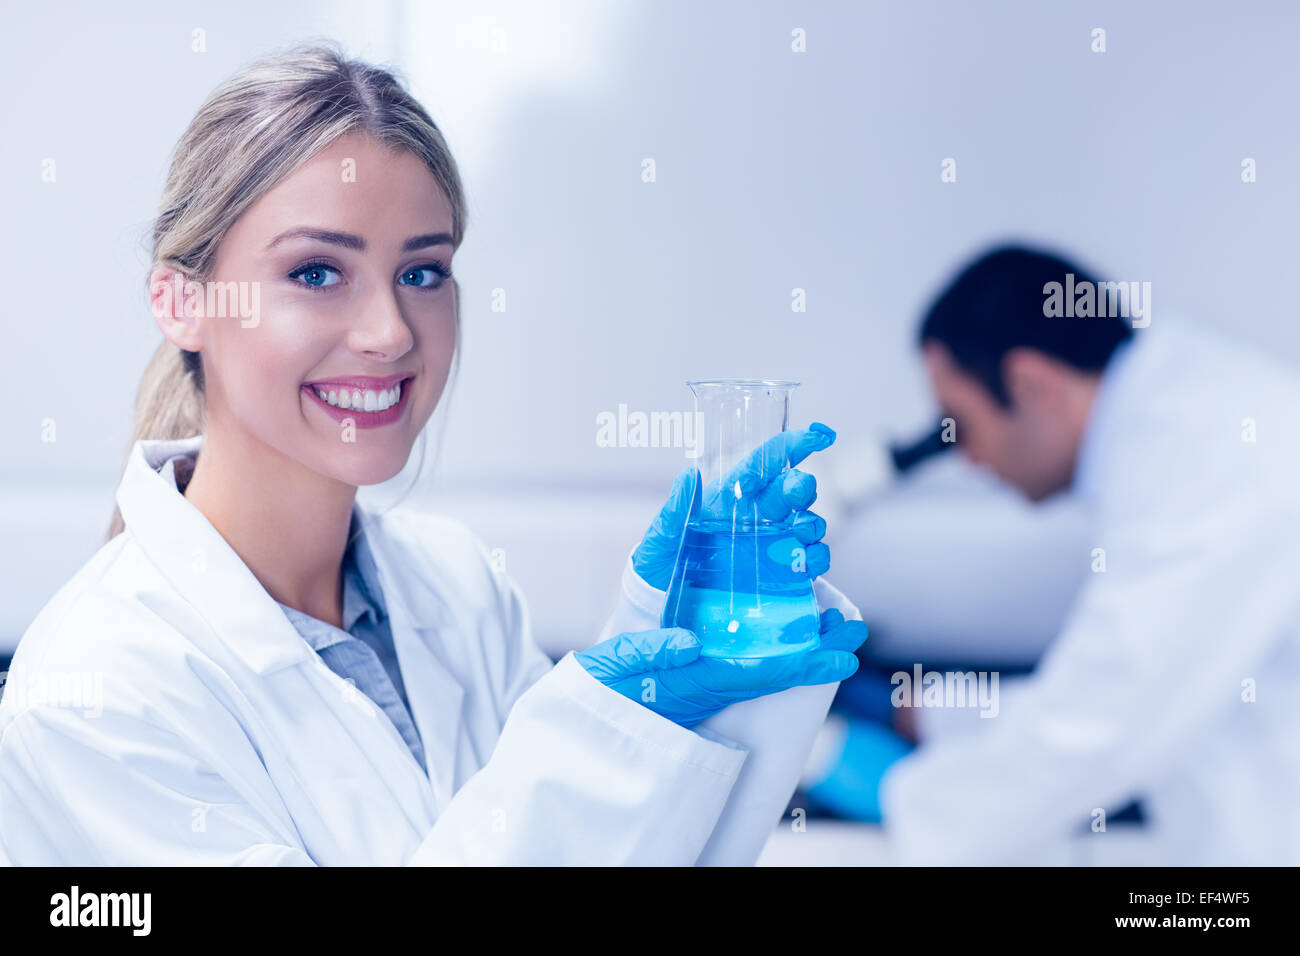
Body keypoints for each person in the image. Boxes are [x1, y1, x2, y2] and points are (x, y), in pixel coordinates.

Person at [0, 44, 866, 866]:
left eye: (422, 273)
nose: (388, 334)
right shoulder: (99, 690)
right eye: (315, 272)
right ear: (181, 301)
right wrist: (599, 720)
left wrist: (660, 681)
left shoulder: (459, 590)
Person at [812, 245, 1300, 864]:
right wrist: (921, 711)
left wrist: (900, 797)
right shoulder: (1183, 421)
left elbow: (1103, 722)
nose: (968, 459)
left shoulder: (1207, 452)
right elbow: (1113, 688)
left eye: (961, 423)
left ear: (1029, 384)